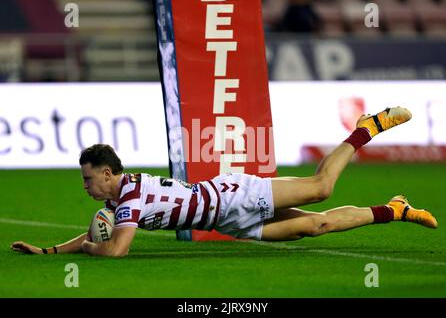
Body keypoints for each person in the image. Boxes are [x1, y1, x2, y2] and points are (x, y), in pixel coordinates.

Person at [11, 107, 438, 257]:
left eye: (88, 180)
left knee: (321, 187)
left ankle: (367, 127)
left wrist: (88, 248)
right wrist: (49, 250)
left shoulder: (130, 200)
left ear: (107, 174)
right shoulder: (122, 200)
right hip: (228, 221)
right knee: (315, 225)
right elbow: (97, 230)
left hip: (234, 194)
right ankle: (394, 209)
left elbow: (114, 249)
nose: (85, 187)